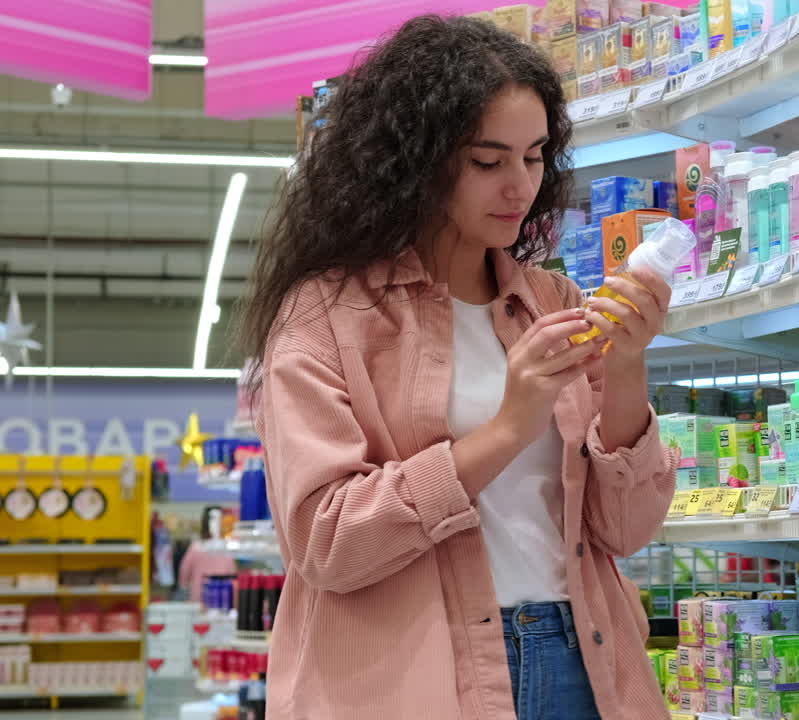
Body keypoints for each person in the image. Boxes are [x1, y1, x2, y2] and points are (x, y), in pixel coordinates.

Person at [236, 15, 675, 720]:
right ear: (418, 159)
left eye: (534, 158)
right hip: (412, 679)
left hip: (580, 660)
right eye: (488, 161)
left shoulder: (551, 300)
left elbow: (623, 531)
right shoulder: (325, 317)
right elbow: (326, 542)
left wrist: (626, 368)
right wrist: (506, 429)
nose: (520, 187)